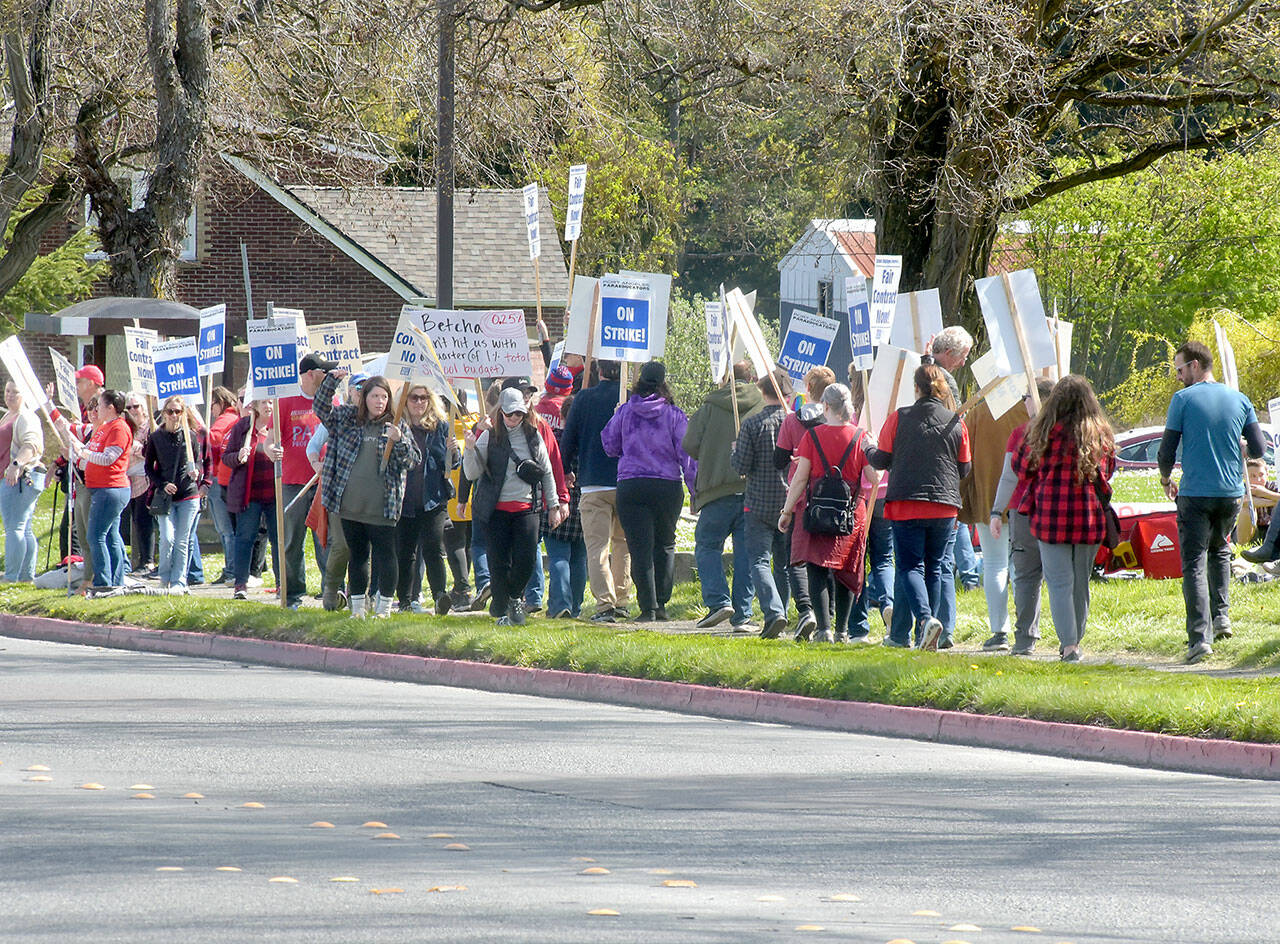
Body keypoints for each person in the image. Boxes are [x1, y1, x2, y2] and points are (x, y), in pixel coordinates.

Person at [1158, 341, 1265, 663]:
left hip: (1195, 493)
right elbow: (1259, 449)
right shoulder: (1239, 398)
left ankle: (1198, 638)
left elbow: (1166, 450)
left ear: (1194, 365)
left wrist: (1165, 479)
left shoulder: (1183, 400)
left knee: (1193, 561)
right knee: (1219, 551)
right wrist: (1242, 446)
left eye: (1179, 369)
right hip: (1231, 493)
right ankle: (1222, 618)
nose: (1177, 377)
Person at [1012, 376, 1116, 662]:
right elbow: (1110, 467)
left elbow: (1021, 468)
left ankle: (1069, 644)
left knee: (1059, 583)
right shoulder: (1099, 433)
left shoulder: (1042, 431)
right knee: (1080, 582)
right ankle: (1076, 640)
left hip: (1050, 515)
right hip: (1087, 515)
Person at [869, 364, 971, 650]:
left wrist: (866, 448)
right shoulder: (955, 421)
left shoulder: (899, 418)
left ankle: (926, 621)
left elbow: (881, 459)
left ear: (915, 388)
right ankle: (913, 634)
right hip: (944, 505)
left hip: (907, 503)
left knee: (910, 566)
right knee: (934, 569)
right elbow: (965, 469)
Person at [314, 370, 420, 618]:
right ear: (364, 398)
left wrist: (400, 439)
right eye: (374, 396)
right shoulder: (347, 418)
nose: (379, 401)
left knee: (386, 556)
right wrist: (331, 382)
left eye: (384, 397)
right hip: (350, 506)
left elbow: (412, 460)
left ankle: (383, 608)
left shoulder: (397, 425)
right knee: (358, 557)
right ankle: (358, 608)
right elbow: (321, 408)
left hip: (382, 508)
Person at [777, 384, 876, 643]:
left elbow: (800, 478)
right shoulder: (860, 437)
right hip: (852, 514)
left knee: (817, 568)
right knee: (846, 570)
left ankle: (824, 630)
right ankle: (843, 631)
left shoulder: (812, 436)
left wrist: (787, 511)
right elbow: (873, 478)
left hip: (817, 512)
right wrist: (871, 449)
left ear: (826, 406)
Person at [602, 361, 697, 622]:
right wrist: (694, 490)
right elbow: (686, 455)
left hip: (632, 484)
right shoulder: (675, 414)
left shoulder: (625, 411)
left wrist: (615, 417)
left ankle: (648, 608)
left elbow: (610, 446)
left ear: (640, 381)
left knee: (639, 547)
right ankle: (663, 604)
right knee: (665, 544)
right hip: (667, 484)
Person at [463, 387, 566, 625]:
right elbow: (471, 473)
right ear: (500, 412)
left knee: (527, 559)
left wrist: (554, 505)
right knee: (498, 562)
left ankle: (511, 598)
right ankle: (504, 607)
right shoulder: (489, 435)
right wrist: (470, 448)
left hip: (526, 508)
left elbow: (547, 471)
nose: (513, 419)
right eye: (509, 414)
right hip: (495, 510)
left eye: (518, 414)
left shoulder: (533, 435)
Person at [684, 361, 762, 630]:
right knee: (746, 553)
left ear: (724, 379)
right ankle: (743, 614)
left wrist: (710, 452)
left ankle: (718, 602)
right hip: (753, 490)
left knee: (707, 545)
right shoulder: (763, 404)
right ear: (751, 377)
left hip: (716, 490)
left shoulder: (709, 407)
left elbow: (689, 443)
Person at [983, 378, 1054, 653]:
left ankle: (1025, 638)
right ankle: (1069, 640)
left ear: (1038, 398)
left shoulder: (1021, 434)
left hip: (1024, 510)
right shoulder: (1069, 432)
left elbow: (1008, 477)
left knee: (1026, 576)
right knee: (1059, 576)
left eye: (1026, 396)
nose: (1023, 401)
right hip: (1057, 510)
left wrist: (996, 511)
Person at [560, 359, 631, 623]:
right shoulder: (629, 397)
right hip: (626, 481)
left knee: (597, 547)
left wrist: (566, 469)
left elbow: (568, 440)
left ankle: (605, 604)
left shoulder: (583, 399)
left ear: (598, 370)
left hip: (592, 483)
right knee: (623, 544)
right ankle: (622, 600)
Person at [731, 368, 793, 639]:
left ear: (762, 391)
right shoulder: (794, 424)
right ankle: (784, 611)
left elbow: (741, 466)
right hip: (789, 500)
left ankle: (773, 611)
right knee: (784, 564)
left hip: (758, 501)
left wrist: (735, 452)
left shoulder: (752, 424)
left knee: (759, 560)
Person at [772, 366, 834, 637]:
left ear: (808, 388)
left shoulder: (792, 421)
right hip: (832, 499)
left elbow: (778, 460)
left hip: (799, 498)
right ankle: (829, 615)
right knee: (828, 557)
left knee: (796, 559)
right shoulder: (837, 420)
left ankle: (806, 609)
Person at [143, 395, 212, 593]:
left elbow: (199, 461)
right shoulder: (156, 437)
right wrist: (162, 484)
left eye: (178, 412)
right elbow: (148, 467)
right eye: (170, 412)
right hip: (166, 497)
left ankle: (180, 581)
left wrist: (197, 473)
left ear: (184, 414)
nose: (174, 416)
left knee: (183, 540)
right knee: (167, 537)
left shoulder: (190, 437)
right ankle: (164, 578)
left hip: (189, 495)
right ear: (164, 413)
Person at [396, 383, 453, 615]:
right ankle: (405, 601)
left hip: (433, 498)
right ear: (404, 401)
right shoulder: (398, 427)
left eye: (423, 398)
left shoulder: (441, 427)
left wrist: (453, 452)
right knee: (405, 552)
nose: (419, 403)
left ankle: (440, 595)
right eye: (413, 398)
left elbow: (450, 466)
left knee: (433, 547)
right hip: (404, 499)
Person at [278, 353, 330, 608]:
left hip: (323, 482)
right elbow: (270, 441)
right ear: (311, 374)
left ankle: (331, 592)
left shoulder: (332, 402)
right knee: (292, 541)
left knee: (326, 539)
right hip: (293, 482)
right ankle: (293, 595)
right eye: (324, 372)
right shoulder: (286, 401)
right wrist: (270, 450)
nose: (328, 376)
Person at [76, 390, 136, 596]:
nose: (95, 409)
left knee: (96, 536)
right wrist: (78, 452)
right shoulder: (103, 428)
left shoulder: (119, 428)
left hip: (111, 489)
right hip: (101, 489)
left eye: (99, 405)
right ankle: (115, 581)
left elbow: (108, 458)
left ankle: (103, 582)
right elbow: (89, 459)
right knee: (110, 536)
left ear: (111, 407)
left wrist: (84, 453)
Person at [223, 398, 283, 601]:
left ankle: (281, 585)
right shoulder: (243, 427)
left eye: (270, 402)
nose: (268, 406)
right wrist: (239, 456)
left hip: (276, 494)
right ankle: (240, 584)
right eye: (264, 402)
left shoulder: (280, 423)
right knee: (245, 538)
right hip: (250, 496)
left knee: (279, 540)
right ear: (254, 405)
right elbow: (226, 456)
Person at [0, 380, 46, 582]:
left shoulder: (26, 417)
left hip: (20, 478)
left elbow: (31, 444)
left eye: (15, 392)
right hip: (11, 477)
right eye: (7, 391)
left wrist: (15, 465)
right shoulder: (8, 415)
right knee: (23, 527)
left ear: (24, 395)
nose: (10, 395)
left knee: (15, 528)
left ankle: (11, 577)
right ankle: (26, 576)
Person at [206, 386, 241, 584]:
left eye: (212, 405)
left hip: (220, 477)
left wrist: (198, 426)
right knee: (228, 529)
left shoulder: (225, 419)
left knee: (225, 529)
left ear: (220, 402)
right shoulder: (233, 418)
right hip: (225, 477)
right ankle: (232, 568)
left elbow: (212, 439)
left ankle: (231, 570)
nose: (211, 410)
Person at [121, 393, 156, 576]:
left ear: (144, 407)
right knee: (136, 520)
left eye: (136, 406)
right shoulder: (129, 428)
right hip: (130, 479)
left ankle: (148, 561)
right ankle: (141, 560)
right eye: (129, 408)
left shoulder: (151, 427)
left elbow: (153, 452)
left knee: (145, 520)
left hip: (147, 479)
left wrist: (137, 448)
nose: (133, 411)